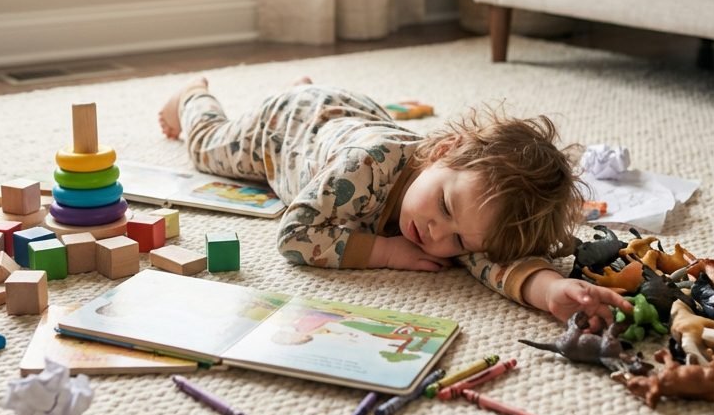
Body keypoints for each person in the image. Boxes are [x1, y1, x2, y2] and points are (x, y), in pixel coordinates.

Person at [158, 77, 631, 324]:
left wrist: (552, 291)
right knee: (206, 148)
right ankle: (194, 96)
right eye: (444, 208)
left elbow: (495, 261)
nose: (435, 236)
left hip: (350, 113)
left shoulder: (464, 210)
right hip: (285, 130)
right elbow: (295, 237)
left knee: (462, 229)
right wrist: (383, 252)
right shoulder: (364, 166)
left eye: (460, 239)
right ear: (443, 151)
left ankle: (302, 85)